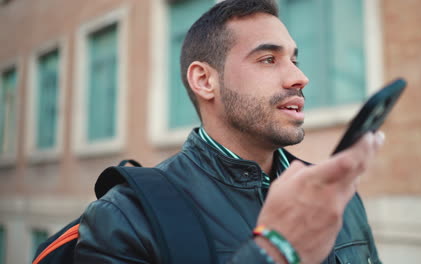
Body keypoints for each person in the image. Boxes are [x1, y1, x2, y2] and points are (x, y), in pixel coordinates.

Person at [75, 0, 384, 263]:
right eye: (268, 59)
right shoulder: (126, 217)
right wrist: (273, 251)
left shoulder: (336, 197)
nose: (299, 77)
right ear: (205, 81)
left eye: (294, 59)